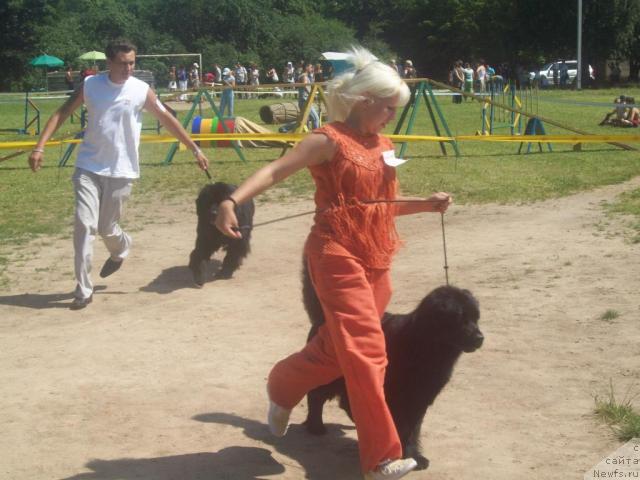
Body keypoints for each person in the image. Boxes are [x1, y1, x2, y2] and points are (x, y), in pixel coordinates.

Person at [214, 46, 452, 480]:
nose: (392, 116)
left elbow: (381, 206)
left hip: (376, 257)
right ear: (366, 101)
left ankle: (282, 384)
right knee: (366, 349)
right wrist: (231, 201)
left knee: (335, 351)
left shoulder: (384, 144)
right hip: (335, 253)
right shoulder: (326, 140)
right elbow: (275, 171)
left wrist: (425, 205)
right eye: (389, 107)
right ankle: (380, 459)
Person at [28, 39, 210, 310]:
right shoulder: (90, 86)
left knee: (106, 228)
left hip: (122, 170)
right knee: (84, 225)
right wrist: (39, 147)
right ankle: (83, 288)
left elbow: (167, 119)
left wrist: (195, 149)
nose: (128, 68)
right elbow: (62, 112)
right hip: (88, 166)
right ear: (109, 63)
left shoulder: (141, 90)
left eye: (132, 63)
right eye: (123, 63)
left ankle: (121, 248)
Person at [298, 63, 320, 130]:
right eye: (311, 67)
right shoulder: (304, 76)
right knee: (316, 119)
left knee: (305, 121)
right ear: (306, 67)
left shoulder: (307, 76)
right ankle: (315, 135)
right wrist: (312, 94)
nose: (312, 69)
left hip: (304, 100)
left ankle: (284, 129)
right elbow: (305, 86)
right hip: (305, 100)